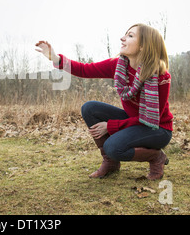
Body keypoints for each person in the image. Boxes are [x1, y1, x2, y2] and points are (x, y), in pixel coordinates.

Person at [35, 23, 173, 180]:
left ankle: (156, 157)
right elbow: (84, 69)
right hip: (134, 122)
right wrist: (56, 59)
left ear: (143, 46)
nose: (122, 38)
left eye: (130, 35)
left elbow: (149, 119)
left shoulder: (160, 76)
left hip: (157, 129)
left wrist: (111, 126)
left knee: (113, 147)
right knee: (90, 108)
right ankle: (111, 162)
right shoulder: (119, 66)